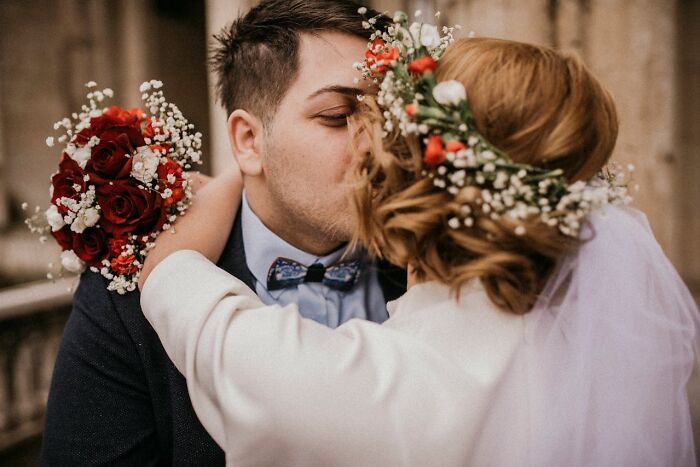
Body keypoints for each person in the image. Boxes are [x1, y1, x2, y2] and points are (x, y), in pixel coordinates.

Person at [138, 31, 700, 466]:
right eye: (338, 116)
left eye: (380, 124)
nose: (365, 146)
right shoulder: (613, 364)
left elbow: (170, 276)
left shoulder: (353, 385)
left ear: (417, 169)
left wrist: (235, 176)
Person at [39, 1, 404, 465]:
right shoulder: (127, 300)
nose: (378, 145)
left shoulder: (445, 268)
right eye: (337, 115)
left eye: (387, 114)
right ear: (248, 141)